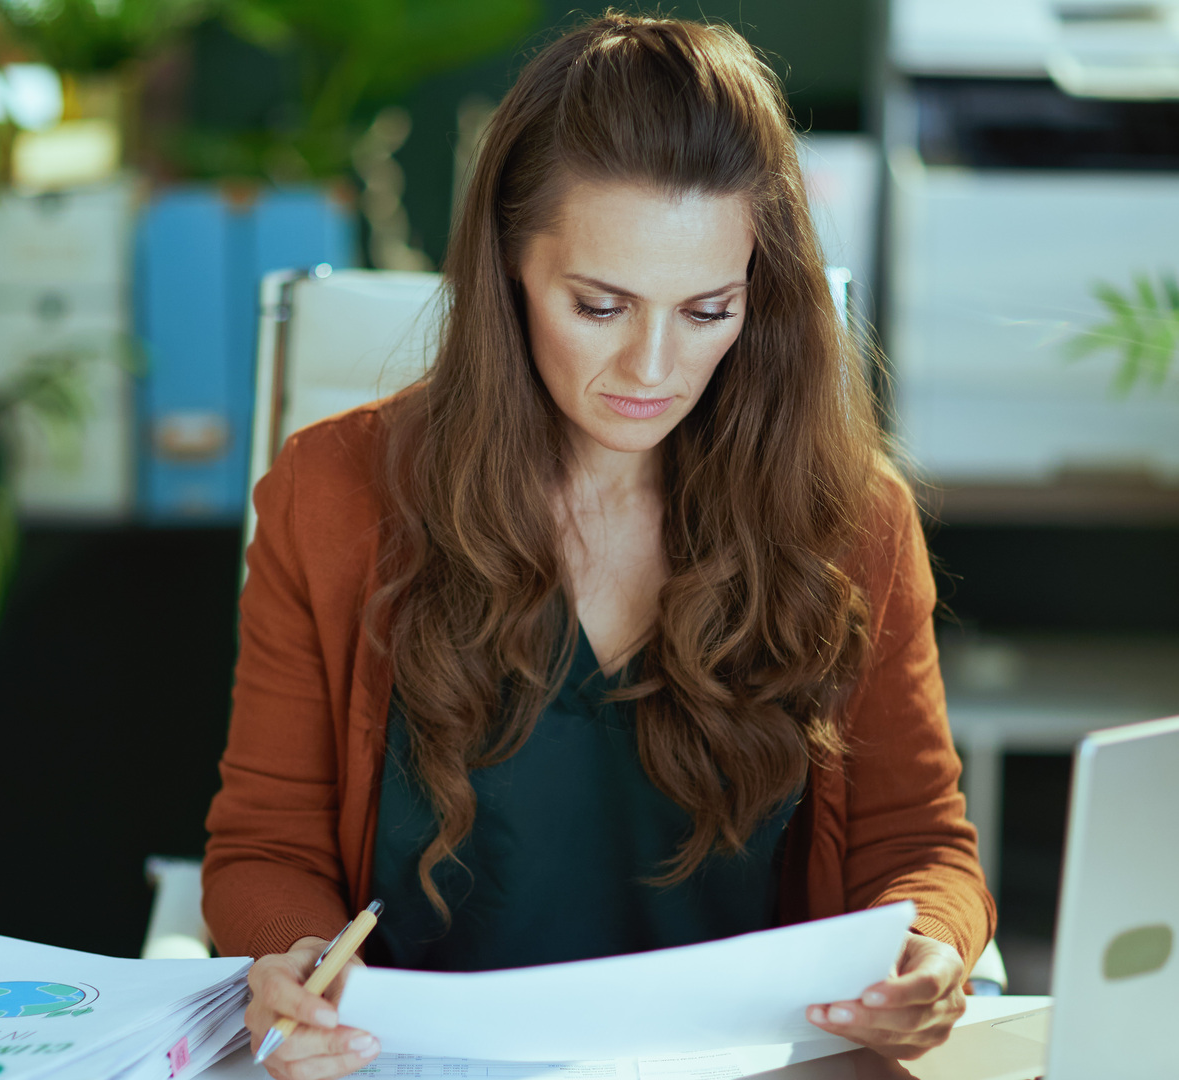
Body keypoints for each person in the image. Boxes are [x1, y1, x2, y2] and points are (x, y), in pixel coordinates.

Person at [202, 13, 994, 1080]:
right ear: (508, 271)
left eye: (708, 310)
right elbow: (268, 847)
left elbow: (921, 848)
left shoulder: (852, 522)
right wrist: (293, 962)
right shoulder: (333, 496)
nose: (652, 367)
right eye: (600, 304)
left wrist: (929, 954)